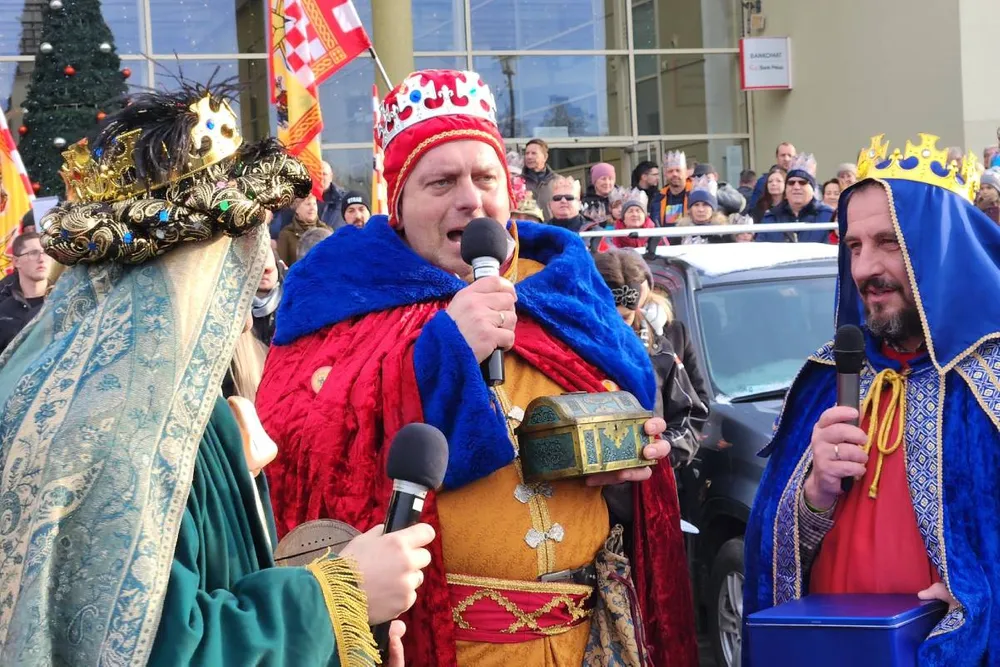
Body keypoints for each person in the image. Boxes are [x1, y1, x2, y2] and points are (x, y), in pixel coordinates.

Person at [257, 68, 698, 667]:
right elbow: (312, 451)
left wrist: (623, 471)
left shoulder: (563, 288)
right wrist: (441, 351)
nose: (470, 197)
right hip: (448, 645)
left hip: (592, 641)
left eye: (485, 177)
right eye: (441, 182)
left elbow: (640, 426)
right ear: (399, 203)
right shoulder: (339, 300)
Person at [0, 85, 432, 667]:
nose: (251, 272)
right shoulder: (122, 427)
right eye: (237, 251)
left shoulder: (125, 393)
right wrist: (339, 596)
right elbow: (151, 647)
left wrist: (344, 639)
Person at [745, 133, 1000, 665]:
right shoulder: (827, 376)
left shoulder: (991, 376)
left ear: (940, 247)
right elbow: (772, 550)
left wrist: (983, 598)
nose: (864, 270)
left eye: (889, 242)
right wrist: (814, 489)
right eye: (854, 247)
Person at [594, 249, 708, 467]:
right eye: (608, 317)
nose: (619, 327)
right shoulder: (570, 345)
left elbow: (692, 411)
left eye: (626, 317)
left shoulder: (663, 345)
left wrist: (662, 449)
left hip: (651, 476)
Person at [756, 154, 834, 243]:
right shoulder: (771, 218)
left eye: (802, 182)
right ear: (785, 189)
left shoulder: (828, 217)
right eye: (791, 183)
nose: (796, 187)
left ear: (812, 189)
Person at [0, 231, 51, 352]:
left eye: (46, 253)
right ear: (16, 262)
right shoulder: (3, 310)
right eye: (33, 253)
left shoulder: (66, 301)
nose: (41, 259)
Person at [276, 193, 333, 267]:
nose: (312, 208)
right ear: (297, 209)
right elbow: (282, 268)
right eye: (308, 204)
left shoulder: (327, 232)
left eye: (314, 204)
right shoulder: (287, 234)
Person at [676, 176, 728, 244]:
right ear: (690, 209)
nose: (700, 209)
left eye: (705, 204)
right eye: (696, 205)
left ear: (713, 209)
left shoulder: (724, 234)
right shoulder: (679, 233)